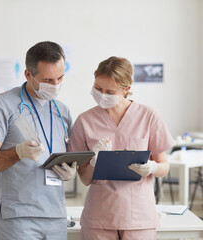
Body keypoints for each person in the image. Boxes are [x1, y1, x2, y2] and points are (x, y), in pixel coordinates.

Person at [0, 41, 76, 240]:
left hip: (55, 216)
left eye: (60, 78)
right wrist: (18, 153)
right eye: (48, 80)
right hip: (18, 218)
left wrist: (72, 170)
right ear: (28, 75)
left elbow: (71, 156)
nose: (56, 85)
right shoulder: (2, 106)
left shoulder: (61, 111)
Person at [68, 56, 174, 239]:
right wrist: (94, 161)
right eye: (98, 88)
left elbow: (164, 167)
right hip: (99, 216)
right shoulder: (84, 121)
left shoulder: (148, 116)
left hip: (139, 217)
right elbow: (84, 179)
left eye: (109, 91)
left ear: (127, 89)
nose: (102, 95)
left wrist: (152, 168)